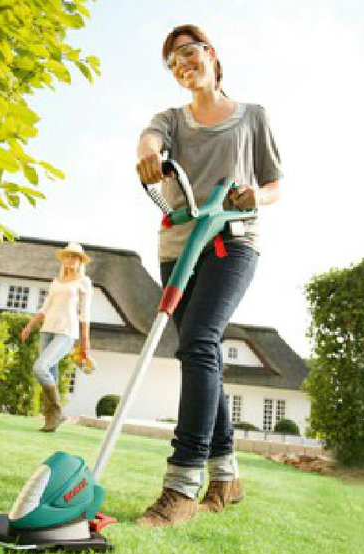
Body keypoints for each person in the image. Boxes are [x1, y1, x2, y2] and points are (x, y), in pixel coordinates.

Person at [135, 24, 282, 527]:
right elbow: (150, 138)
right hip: (178, 246)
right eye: (172, 60)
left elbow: (275, 184)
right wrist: (149, 153)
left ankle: (182, 485)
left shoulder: (253, 117)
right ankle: (226, 477)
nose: (181, 63)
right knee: (205, 354)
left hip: (233, 240)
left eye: (188, 52)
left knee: (198, 341)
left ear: (211, 54)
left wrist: (254, 197)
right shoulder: (171, 118)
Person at [21, 242, 93, 432]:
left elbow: (85, 313)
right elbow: (45, 308)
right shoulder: (56, 282)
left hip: (66, 332)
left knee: (40, 368)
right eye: (68, 256)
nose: (71, 260)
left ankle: (57, 411)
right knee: (49, 373)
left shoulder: (84, 282)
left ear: (80, 262)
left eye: (75, 257)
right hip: (47, 330)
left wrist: (85, 341)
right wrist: (29, 325)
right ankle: (51, 419)